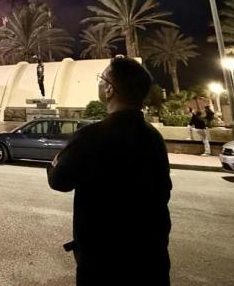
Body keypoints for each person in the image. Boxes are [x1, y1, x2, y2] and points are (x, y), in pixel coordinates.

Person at [47, 56, 171, 285]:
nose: (100, 83)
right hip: (151, 260)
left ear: (109, 89)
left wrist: (58, 156)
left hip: (104, 264)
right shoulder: (154, 137)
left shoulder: (93, 135)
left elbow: (59, 180)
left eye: (102, 78)